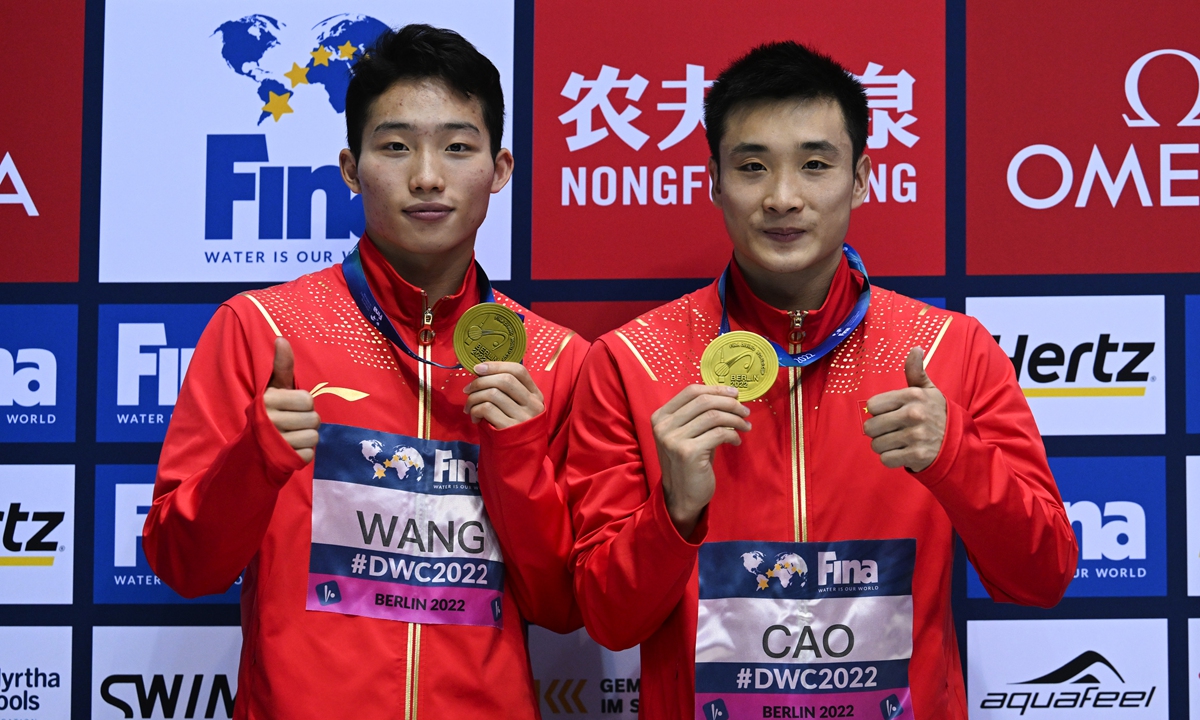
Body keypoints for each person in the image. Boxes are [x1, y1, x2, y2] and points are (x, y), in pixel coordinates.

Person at [564, 41, 1076, 720]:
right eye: (752, 167)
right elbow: (607, 619)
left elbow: (1041, 578)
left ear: (861, 177)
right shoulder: (631, 361)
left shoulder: (954, 351)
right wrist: (674, 513)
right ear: (714, 180)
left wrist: (955, 456)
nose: (783, 197)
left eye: (815, 164)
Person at [143, 25, 585, 719]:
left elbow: (563, 606)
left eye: (458, 147)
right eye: (396, 146)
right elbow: (182, 564)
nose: (428, 176)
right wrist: (255, 462)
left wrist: (520, 457)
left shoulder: (556, 359)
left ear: (500, 169)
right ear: (350, 168)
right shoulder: (261, 329)